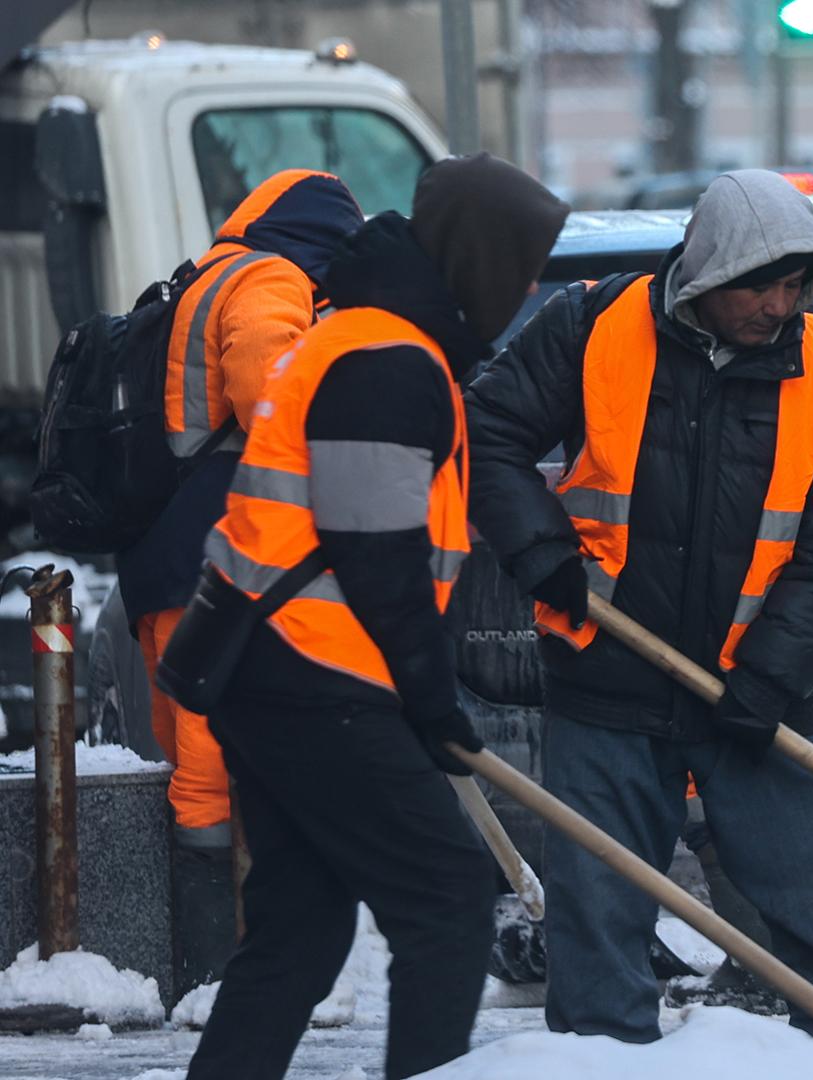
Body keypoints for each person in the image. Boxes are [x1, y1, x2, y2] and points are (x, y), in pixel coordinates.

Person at [466, 168, 813, 1044]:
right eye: (758, 284)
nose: (778, 305)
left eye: (793, 285)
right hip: (609, 674)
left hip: (755, 688)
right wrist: (543, 553)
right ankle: (601, 1058)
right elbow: (487, 433)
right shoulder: (592, 327)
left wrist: (775, 673)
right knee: (597, 934)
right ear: (706, 273)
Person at [183, 154, 567, 1080]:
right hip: (314, 678)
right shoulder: (385, 360)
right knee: (445, 900)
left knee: (299, 933)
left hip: (277, 670)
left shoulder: (378, 341)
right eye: (518, 269)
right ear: (475, 260)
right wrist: (432, 701)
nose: (521, 292)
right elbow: (376, 551)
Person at [114, 168, 363, 991]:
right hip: (215, 555)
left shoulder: (206, 274)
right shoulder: (267, 279)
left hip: (168, 552)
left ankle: (213, 961)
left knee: (192, 751)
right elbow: (270, 393)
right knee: (209, 767)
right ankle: (215, 968)